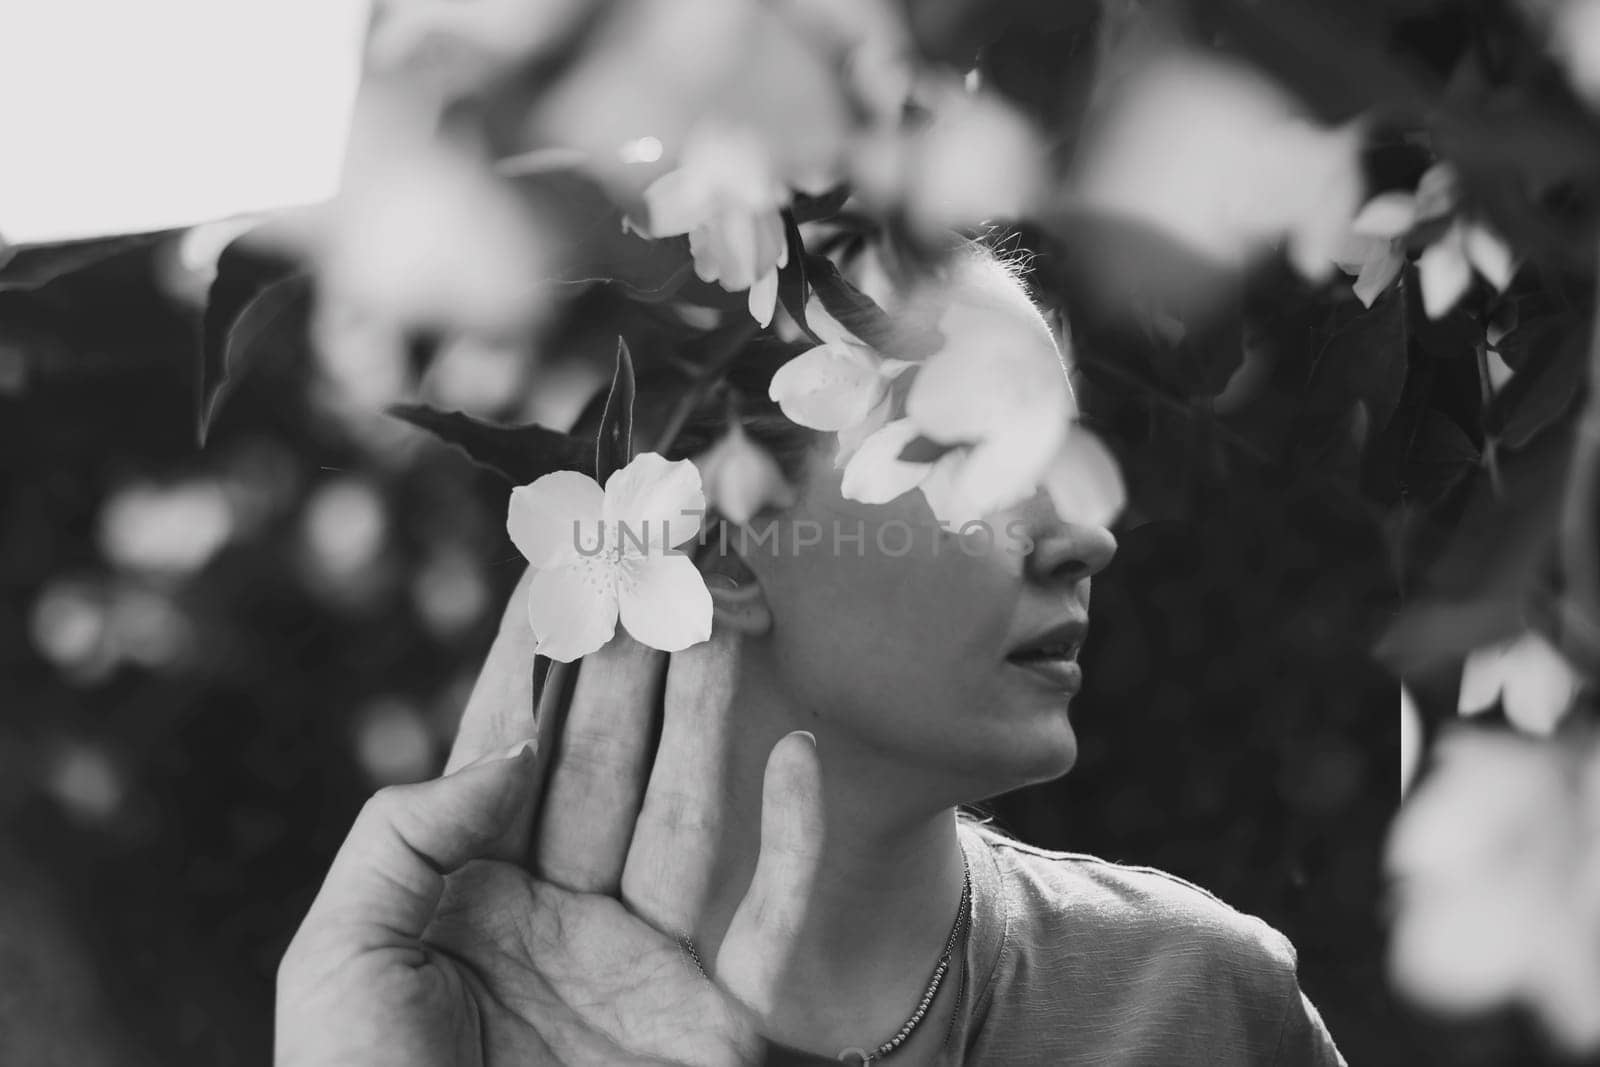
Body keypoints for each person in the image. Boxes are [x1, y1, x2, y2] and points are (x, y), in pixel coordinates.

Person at [276, 252, 1347, 1065]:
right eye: (972, 449)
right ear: (722, 544)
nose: (1087, 536)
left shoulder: (1198, 1001)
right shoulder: (492, 1022)